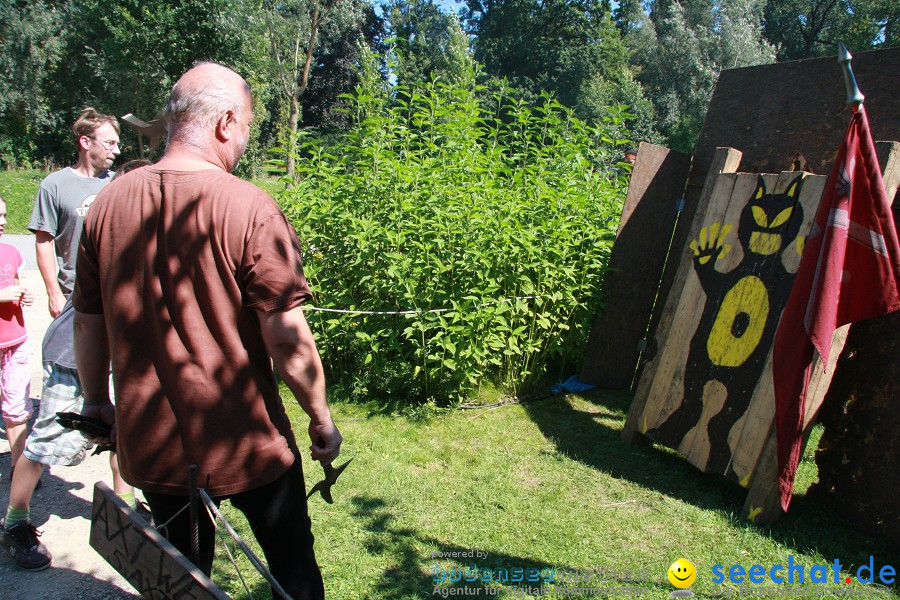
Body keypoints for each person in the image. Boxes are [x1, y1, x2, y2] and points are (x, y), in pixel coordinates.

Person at [73, 62, 342, 600]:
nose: (244, 139)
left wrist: (97, 402)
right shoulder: (250, 208)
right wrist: (321, 419)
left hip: (153, 446)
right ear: (224, 123)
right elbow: (288, 341)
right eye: (245, 125)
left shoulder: (107, 205)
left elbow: (88, 320)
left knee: (181, 580)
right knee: (293, 571)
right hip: (249, 445)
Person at [0, 159, 150, 573]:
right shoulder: (110, 238)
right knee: (46, 441)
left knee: (123, 434)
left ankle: (125, 511)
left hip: (120, 356)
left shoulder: (147, 237)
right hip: (74, 354)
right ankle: (16, 522)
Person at [28, 108, 121, 318]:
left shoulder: (118, 183)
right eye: (110, 143)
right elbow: (44, 241)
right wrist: (53, 292)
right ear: (86, 142)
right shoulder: (54, 185)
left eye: (117, 144)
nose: (116, 151)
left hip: (114, 292)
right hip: (74, 295)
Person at [0, 194, 35, 481]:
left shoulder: (11, 251)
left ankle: (18, 469)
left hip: (16, 342)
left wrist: (25, 295)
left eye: (4, 216)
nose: (3, 223)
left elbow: (16, 286)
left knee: (17, 408)